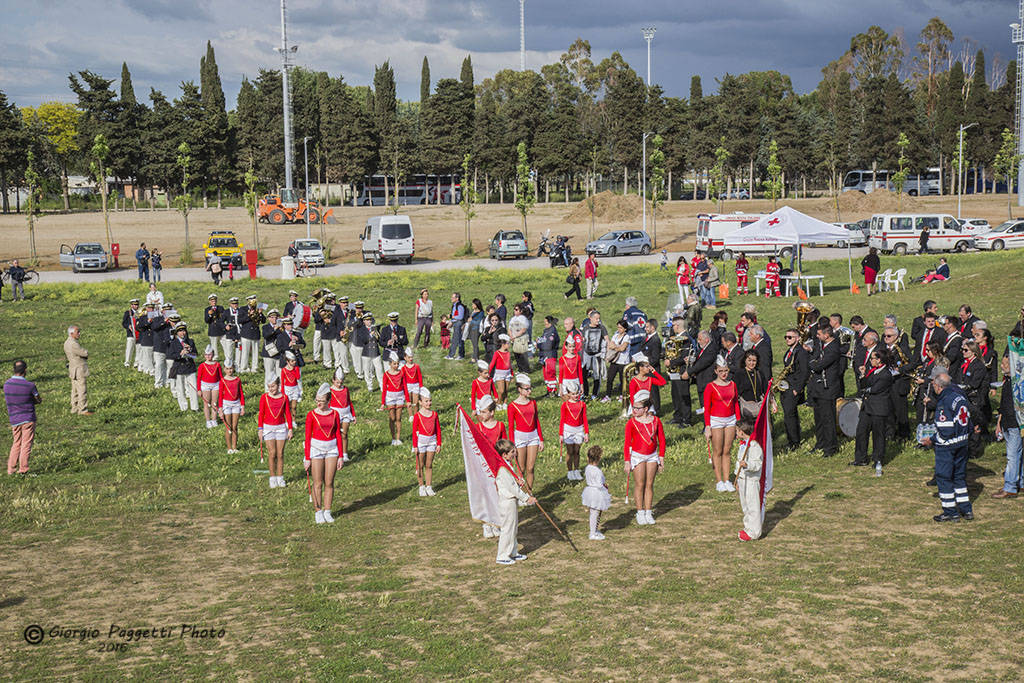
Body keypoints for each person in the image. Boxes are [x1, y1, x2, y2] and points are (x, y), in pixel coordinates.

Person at [921, 371, 973, 522]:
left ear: (938, 387)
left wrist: (932, 440)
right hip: (962, 443)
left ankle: (950, 511)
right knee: (959, 477)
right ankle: (966, 509)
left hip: (948, 446)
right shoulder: (959, 397)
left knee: (944, 477)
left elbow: (946, 430)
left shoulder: (944, 402)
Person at [623, 390, 666, 525]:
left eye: (637, 408)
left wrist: (661, 457)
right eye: (633, 407)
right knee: (640, 484)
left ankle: (648, 511)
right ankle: (640, 512)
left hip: (652, 456)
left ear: (646, 409)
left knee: (649, 484)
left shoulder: (656, 421)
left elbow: (662, 440)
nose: (634, 410)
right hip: (637, 456)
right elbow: (627, 443)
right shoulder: (631, 423)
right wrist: (627, 461)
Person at [303, 383, 344, 524]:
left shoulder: (335, 414)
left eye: (321, 401)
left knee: (329, 482)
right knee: (318, 482)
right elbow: (307, 437)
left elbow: (338, 434)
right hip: (316, 449)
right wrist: (307, 457)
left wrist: (341, 455)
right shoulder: (311, 415)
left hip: (332, 449)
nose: (318, 403)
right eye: (317, 400)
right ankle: (318, 511)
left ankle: (327, 511)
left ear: (328, 401)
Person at [494, 438, 535, 565]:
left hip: (511, 502)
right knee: (507, 529)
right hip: (507, 502)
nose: (515, 453)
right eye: (512, 452)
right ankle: (502, 555)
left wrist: (518, 481)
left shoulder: (507, 466)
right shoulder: (502, 469)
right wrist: (527, 498)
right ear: (504, 454)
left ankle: (512, 551)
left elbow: (513, 483)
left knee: (513, 528)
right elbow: (512, 489)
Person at [853, 349, 893, 475]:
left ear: (879, 360)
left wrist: (866, 390)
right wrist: (863, 375)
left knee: (878, 435)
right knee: (861, 431)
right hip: (867, 407)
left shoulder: (886, 374)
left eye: (872, 359)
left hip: (878, 408)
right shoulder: (872, 371)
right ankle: (860, 458)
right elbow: (864, 385)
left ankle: (878, 459)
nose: (871, 361)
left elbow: (875, 389)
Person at [704, 357, 741, 492]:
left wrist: (738, 421)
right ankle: (719, 480)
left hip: (731, 419)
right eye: (721, 371)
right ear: (716, 371)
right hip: (716, 420)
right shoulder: (710, 386)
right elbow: (707, 408)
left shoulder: (732, 384)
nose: (724, 374)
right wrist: (707, 426)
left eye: (726, 371)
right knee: (717, 451)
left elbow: (736, 403)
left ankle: (727, 480)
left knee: (727, 450)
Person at [808, 326, 841, 458]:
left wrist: (812, 362)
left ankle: (831, 446)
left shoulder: (833, 349)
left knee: (828, 419)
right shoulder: (822, 345)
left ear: (826, 335)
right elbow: (814, 360)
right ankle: (820, 443)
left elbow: (818, 365)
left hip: (828, 390)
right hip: (818, 389)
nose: (817, 336)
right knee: (819, 418)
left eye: (819, 334)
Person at [508, 373, 544, 492]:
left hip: (533, 436)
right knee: (521, 469)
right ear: (519, 389)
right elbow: (511, 427)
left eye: (530, 388)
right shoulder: (512, 406)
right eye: (527, 389)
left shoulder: (533, 403)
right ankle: (519, 494)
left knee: (530, 468)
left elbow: (536, 421)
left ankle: (529, 493)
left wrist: (541, 439)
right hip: (520, 438)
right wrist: (512, 445)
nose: (530, 391)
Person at [993, 356, 1022, 499]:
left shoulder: (1018, 384)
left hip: (1015, 424)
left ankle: (1010, 487)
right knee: (1017, 455)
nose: (1002, 366)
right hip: (1007, 422)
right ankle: (1020, 482)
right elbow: (1003, 405)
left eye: (1005, 364)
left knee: (1012, 456)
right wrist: (999, 422)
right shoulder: (1007, 382)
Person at [5, 360, 40, 475]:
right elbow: (38, 399)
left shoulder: (7, 384)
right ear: (25, 370)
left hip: (14, 418)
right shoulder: (30, 385)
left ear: (14, 370)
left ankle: (11, 469)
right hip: (28, 418)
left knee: (16, 443)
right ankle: (23, 469)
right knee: (26, 444)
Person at [258, 377, 294, 489]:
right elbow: (261, 413)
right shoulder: (264, 397)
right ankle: (272, 478)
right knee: (272, 453)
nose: (271, 389)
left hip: (281, 428)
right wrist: (260, 429)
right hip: (268, 428)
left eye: (273, 386)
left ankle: (280, 477)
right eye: (269, 387)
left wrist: (290, 428)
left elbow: (287, 413)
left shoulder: (284, 397)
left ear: (278, 385)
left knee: (280, 454)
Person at [779, 328, 809, 449]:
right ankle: (793, 439)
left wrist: (798, 388)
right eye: (786, 337)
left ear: (797, 338)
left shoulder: (800, 352)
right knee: (789, 415)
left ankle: (794, 442)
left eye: (790, 337)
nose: (787, 339)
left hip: (793, 388)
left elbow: (805, 372)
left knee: (789, 415)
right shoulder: (790, 351)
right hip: (786, 387)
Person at [411, 387, 441, 497]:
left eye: (430, 400)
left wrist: (439, 443)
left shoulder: (434, 414)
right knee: (420, 465)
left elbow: (438, 429)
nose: (429, 403)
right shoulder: (417, 416)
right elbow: (414, 432)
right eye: (426, 401)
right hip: (421, 442)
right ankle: (421, 486)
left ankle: (429, 486)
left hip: (432, 441)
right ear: (420, 402)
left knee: (429, 464)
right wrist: (415, 446)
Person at [558, 380, 589, 480]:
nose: (575, 396)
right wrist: (561, 434)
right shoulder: (565, 405)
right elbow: (562, 419)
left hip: (579, 430)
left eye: (577, 393)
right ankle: (570, 471)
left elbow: (584, 418)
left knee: (577, 451)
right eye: (573, 394)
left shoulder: (582, 404)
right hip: (568, 430)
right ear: (569, 394)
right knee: (570, 451)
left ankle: (576, 470)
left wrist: (586, 432)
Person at [582, 445, 611, 540]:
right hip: (596, 493)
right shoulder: (598, 471)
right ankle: (592, 533)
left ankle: (594, 529)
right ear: (598, 458)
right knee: (594, 513)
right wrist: (604, 486)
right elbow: (599, 484)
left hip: (590, 491)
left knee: (594, 512)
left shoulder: (587, 468)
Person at [168, 322, 199, 412]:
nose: (183, 333)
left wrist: (190, 351)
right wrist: (180, 354)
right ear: (177, 332)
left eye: (184, 331)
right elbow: (171, 355)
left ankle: (195, 407)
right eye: (180, 331)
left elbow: (196, 354)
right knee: (180, 389)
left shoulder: (190, 341)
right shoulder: (173, 343)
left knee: (193, 387)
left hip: (190, 367)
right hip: (179, 367)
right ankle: (183, 407)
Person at [328, 368, 356, 462]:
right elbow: (327, 404)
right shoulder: (330, 391)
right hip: (335, 414)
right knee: (335, 434)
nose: (339, 385)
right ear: (333, 380)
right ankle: (335, 452)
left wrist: (354, 415)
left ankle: (345, 454)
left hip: (346, 413)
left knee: (344, 434)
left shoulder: (345, 389)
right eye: (337, 383)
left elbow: (349, 402)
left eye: (341, 382)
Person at [216, 359, 244, 454]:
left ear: (233, 368)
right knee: (228, 427)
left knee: (235, 426)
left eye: (231, 368)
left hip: (236, 404)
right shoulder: (223, 381)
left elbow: (241, 393)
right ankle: (229, 448)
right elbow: (220, 396)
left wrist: (242, 406)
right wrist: (220, 409)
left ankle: (234, 447)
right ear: (224, 369)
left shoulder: (237, 380)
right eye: (227, 369)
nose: (229, 371)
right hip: (226, 404)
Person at [381, 352, 408, 445]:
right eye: (394, 363)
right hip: (390, 397)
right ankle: (393, 438)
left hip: (400, 396)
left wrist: (407, 400)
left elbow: (405, 386)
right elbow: (384, 389)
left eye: (397, 363)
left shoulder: (401, 373)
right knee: (392, 418)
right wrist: (382, 403)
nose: (396, 365)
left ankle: (398, 438)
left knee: (398, 418)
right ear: (390, 364)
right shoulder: (386, 374)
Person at [581, 309, 608, 400]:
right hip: (586, 354)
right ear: (591, 319)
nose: (598, 320)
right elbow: (582, 341)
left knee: (597, 375)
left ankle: (595, 394)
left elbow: (607, 339)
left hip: (597, 355)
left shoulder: (602, 328)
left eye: (599, 319)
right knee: (584, 374)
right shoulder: (586, 328)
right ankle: (585, 393)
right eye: (596, 319)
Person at [735, 350, 770, 420]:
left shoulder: (759, 373)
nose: (751, 363)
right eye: (749, 360)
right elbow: (735, 391)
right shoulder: (739, 373)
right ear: (745, 360)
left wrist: (772, 402)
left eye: (754, 361)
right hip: (745, 408)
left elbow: (766, 390)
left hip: (759, 407)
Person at [63, 325, 91, 415]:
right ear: (71, 334)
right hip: (79, 368)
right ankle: (82, 409)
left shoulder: (67, 342)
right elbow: (83, 352)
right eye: (77, 332)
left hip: (72, 368)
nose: (79, 333)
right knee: (82, 389)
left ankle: (74, 408)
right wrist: (86, 352)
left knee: (74, 390)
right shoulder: (74, 344)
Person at [356, 312, 384, 392]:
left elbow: (379, 339)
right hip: (366, 353)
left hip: (376, 352)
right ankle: (370, 386)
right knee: (367, 370)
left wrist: (377, 335)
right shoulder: (361, 330)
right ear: (364, 321)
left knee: (379, 370)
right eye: (367, 320)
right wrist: (371, 335)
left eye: (370, 320)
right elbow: (363, 340)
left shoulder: (375, 328)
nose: (369, 321)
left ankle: (382, 386)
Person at [197, 345, 223, 428]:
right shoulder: (202, 365)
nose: (208, 356)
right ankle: (208, 421)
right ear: (204, 355)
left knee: (214, 403)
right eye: (206, 355)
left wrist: (223, 386)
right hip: (205, 386)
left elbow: (221, 377)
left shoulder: (217, 364)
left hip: (216, 385)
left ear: (213, 355)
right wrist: (199, 389)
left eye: (210, 354)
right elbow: (199, 378)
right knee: (206, 404)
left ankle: (214, 419)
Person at [605, 320, 631, 402]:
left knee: (622, 380)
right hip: (615, 361)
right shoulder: (615, 335)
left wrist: (615, 347)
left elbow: (622, 348)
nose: (619, 329)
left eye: (621, 328)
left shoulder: (627, 337)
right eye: (618, 327)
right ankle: (608, 395)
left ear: (625, 329)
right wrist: (617, 347)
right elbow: (610, 345)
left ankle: (622, 395)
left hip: (623, 362)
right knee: (610, 378)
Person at [536, 315, 560, 395]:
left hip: (550, 355)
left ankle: (553, 391)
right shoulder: (546, 330)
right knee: (546, 374)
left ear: (550, 323)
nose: (544, 324)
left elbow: (548, 344)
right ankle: (549, 390)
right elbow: (543, 340)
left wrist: (538, 345)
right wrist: (539, 341)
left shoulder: (552, 332)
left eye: (546, 323)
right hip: (544, 355)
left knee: (550, 373)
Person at [489, 334, 513, 409]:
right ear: (503, 344)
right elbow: (492, 363)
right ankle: (498, 403)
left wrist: (512, 374)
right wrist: (488, 373)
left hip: (507, 372)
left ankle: (505, 403)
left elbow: (510, 364)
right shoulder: (497, 353)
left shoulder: (508, 353)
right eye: (508, 343)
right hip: (500, 373)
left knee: (506, 390)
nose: (509, 345)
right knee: (501, 390)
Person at [508, 304, 531, 372]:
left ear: (521, 311)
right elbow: (509, 328)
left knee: (523, 355)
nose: (515, 311)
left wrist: (515, 336)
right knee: (516, 355)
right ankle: (520, 369)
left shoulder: (523, 319)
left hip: (522, 339)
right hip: (514, 339)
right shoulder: (513, 319)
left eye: (516, 309)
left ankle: (526, 370)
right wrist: (511, 336)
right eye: (514, 309)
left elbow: (523, 329)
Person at [445, 292, 468, 360]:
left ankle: (451, 355)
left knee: (455, 340)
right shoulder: (455, 305)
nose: (451, 298)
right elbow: (455, 316)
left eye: (453, 297)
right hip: (456, 323)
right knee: (459, 339)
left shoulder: (459, 306)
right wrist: (451, 322)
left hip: (459, 323)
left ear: (457, 298)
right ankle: (461, 355)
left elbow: (460, 317)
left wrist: (451, 316)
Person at [402, 349, 423, 420]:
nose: (411, 359)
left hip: (416, 385)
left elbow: (420, 377)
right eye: (409, 357)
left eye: (411, 357)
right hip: (408, 385)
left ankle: (416, 414)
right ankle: (411, 415)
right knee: (409, 401)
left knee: (416, 401)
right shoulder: (403, 368)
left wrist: (421, 387)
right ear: (405, 358)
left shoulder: (416, 366)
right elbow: (403, 380)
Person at [281, 350, 303, 418]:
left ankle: (293, 420)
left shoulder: (296, 368)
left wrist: (296, 369)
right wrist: (282, 391)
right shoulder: (284, 370)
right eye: (292, 361)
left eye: (294, 360)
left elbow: (298, 377)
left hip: (295, 388)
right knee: (288, 407)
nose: (294, 362)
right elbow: (282, 381)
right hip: (287, 388)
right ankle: (288, 420)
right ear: (287, 362)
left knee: (294, 406)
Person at [222, 296, 242, 368]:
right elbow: (220, 321)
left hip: (239, 333)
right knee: (229, 352)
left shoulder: (241, 311)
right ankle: (229, 366)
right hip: (229, 334)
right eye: (233, 304)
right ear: (230, 304)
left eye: (236, 303)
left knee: (239, 351)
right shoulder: (227, 312)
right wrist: (225, 326)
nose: (235, 305)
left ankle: (237, 366)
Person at [204, 294, 226, 361]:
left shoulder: (220, 308)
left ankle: (227, 356)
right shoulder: (207, 309)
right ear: (209, 301)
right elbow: (206, 320)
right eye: (212, 300)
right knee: (214, 346)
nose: (214, 302)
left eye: (215, 300)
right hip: (213, 329)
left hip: (221, 329)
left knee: (225, 344)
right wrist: (210, 315)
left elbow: (224, 318)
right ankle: (215, 357)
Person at [136, 302, 155, 376]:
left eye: (152, 308)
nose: (151, 309)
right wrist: (148, 321)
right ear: (146, 308)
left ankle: (149, 369)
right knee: (147, 356)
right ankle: (150, 371)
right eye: (149, 308)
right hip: (146, 339)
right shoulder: (143, 317)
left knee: (153, 357)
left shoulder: (156, 316)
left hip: (154, 339)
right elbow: (139, 326)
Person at [122, 298, 141, 368]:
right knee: (129, 348)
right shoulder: (128, 313)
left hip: (139, 333)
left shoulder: (140, 312)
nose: (136, 306)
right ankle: (127, 362)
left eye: (137, 304)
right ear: (131, 305)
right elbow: (124, 323)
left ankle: (137, 362)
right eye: (135, 305)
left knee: (138, 348)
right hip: (131, 333)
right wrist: (128, 326)